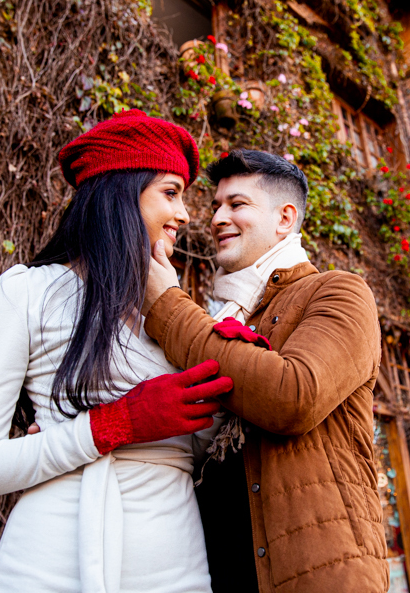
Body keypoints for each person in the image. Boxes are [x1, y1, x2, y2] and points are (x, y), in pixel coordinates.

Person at [0, 109, 233, 593]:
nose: (185, 214)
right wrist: (113, 425)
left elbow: (192, 450)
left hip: (177, 566)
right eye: (170, 192)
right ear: (121, 192)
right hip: (48, 567)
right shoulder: (28, 292)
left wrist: (229, 375)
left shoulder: (175, 312)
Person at [142, 150, 389, 592]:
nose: (217, 217)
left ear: (284, 219)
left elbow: (295, 396)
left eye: (236, 204)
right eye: (215, 205)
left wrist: (170, 308)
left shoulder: (339, 292)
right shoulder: (222, 325)